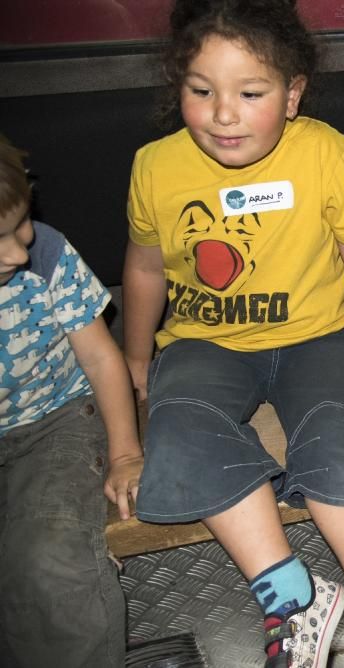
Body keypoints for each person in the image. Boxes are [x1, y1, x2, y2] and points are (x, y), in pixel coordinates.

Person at [121, 1, 344, 666]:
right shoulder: (155, 166)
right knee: (178, 429)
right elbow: (146, 266)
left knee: (337, 431)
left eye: (250, 92)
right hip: (204, 345)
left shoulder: (325, 152)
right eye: (200, 91)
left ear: (292, 95)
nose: (223, 113)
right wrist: (137, 351)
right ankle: (292, 597)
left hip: (316, 338)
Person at [0, 136, 143, 665]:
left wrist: (126, 453)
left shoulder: (46, 254)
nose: (19, 248)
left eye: (21, 222)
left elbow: (103, 360)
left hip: (54, 419)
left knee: (50, 560)